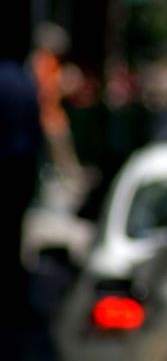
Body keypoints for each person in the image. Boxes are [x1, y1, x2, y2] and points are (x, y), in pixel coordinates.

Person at [0, 51, 48, 359]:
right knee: (14, 235)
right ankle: (14, 299)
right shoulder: (24, 81)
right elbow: (36, 128)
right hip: (19, 167)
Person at [28, 22, 85, 185]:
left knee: (64, 152)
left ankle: (70, 180)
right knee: (60, 153)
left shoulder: (52, 61)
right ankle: (69, 182)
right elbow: (43, 90)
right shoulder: (41, 61)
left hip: (54, 115)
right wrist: (63, 82)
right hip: (47, 117)